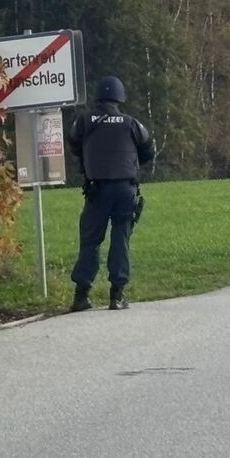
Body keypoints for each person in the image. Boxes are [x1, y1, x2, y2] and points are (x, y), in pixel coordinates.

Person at [67, 75, 155, 312]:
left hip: (97, 189)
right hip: (125, 189)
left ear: (98, 97)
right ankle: (117, 295)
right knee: (120, 239)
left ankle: (81, 296)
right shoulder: (131, 123)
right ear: (120, 97)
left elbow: (73, 144)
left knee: (90, 241)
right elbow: (148, 149)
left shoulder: (84, 121)